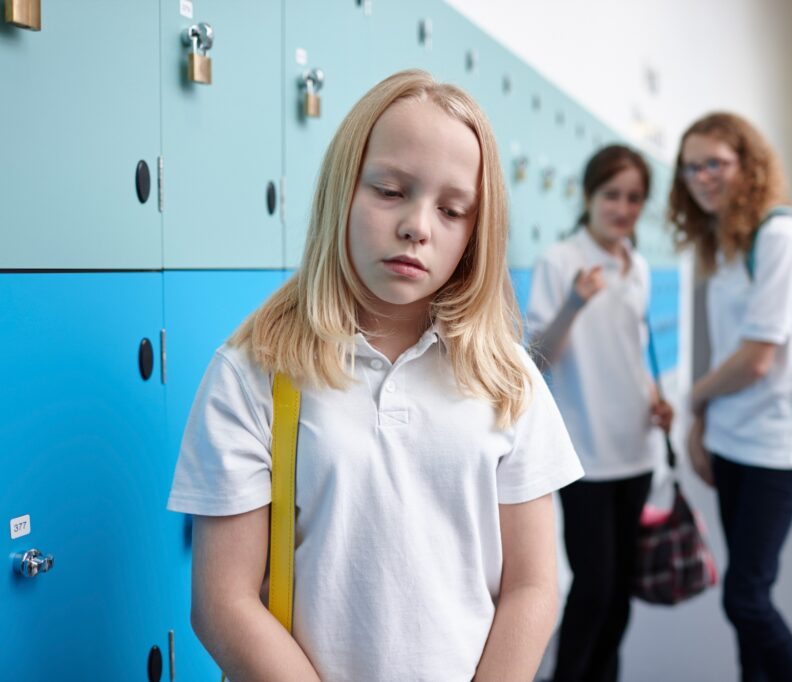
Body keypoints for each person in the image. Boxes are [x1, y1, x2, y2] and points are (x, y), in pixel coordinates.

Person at [166, 70, 583, 682]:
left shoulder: (507, 378)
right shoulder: (255, 372)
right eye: (390, 190)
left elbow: (531, 587)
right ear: (344, 189)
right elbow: (223, 603)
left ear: (475, 233)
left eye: (452, 209)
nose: (419, 225)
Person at [669, 112, 792, 682]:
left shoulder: (781, 239)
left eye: (715, 163)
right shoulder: (726, 244)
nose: (701, 177)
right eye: (691, 166)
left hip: (780, 439)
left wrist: (694, 400)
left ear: (749, 165)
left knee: (746, 597)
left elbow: (757, 357)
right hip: (736, 433)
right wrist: (704, 426)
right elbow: (729, 355)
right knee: (746, 597)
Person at [526, 144, 674, 681]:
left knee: (621, 593)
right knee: (593, 588)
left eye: (634, 198)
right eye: (612, 194)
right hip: (585, 452)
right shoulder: (561, 260)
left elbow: (635, 349)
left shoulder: (638, 266)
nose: (623, 208)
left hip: (637, 447)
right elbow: (538, 357)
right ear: (588, 196)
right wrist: (574, 302)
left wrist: (657, 398)